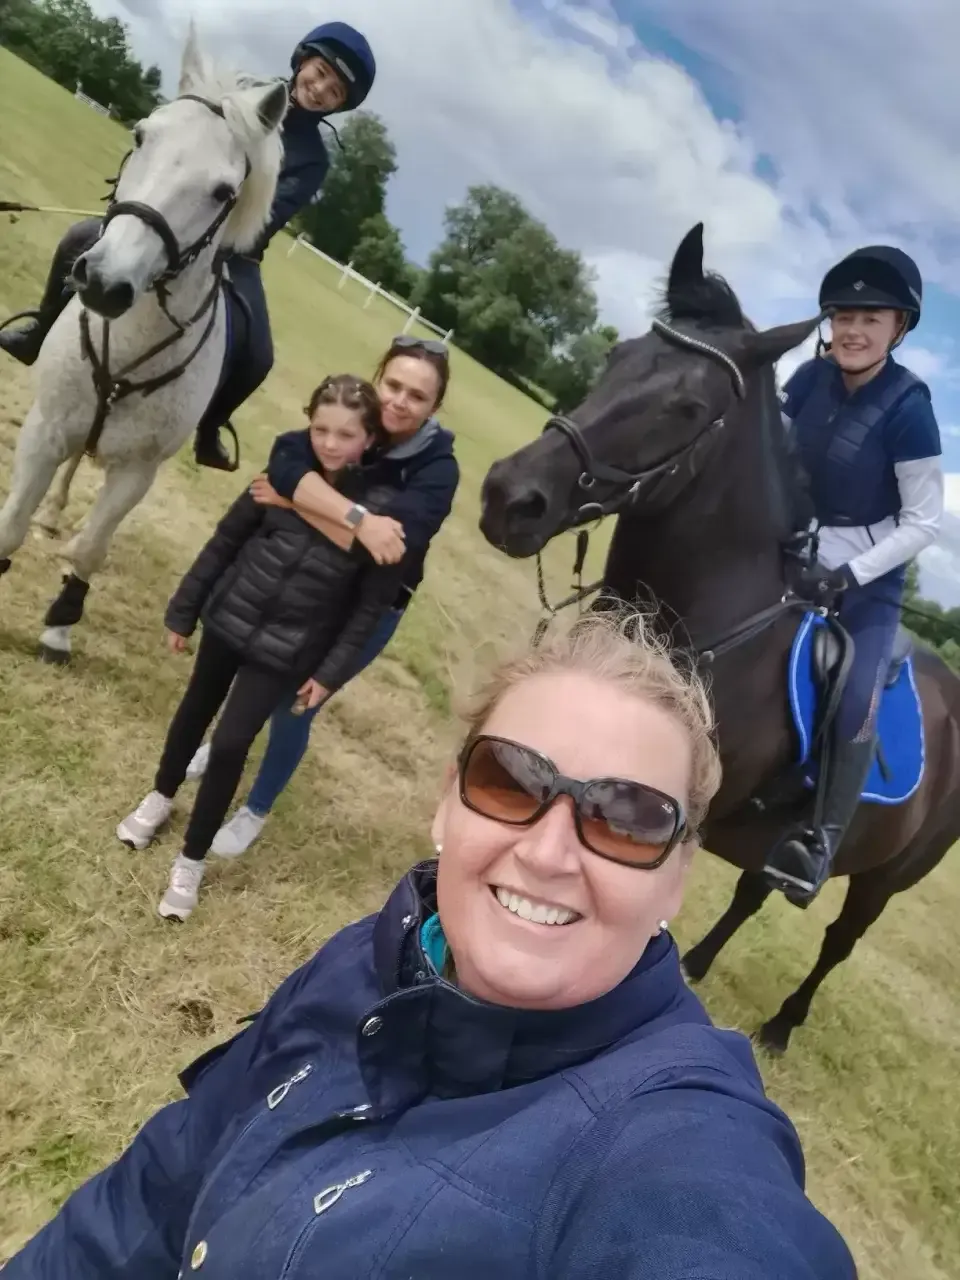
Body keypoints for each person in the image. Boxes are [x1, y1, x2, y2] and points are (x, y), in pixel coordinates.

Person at [3, 610, 857, 1278]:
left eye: (627, 820)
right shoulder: (371, 955)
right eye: (509, 780)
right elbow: (160, 1187)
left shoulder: (677, 1144)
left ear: (676, 880)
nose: (548, 853)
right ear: (448, 802)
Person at [0, 22, 376, 472]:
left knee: (259, 354)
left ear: (339, 104)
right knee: (78, 239)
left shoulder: (313, 157)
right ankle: (39, 331)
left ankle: (209, 427)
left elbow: (270, 214)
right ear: (303, 60)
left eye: (334, 92)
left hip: (238, 249)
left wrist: (217, 235)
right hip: (176, 219)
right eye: (320, 74)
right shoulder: (242, 91)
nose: (319, 90)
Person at [116, 374, 405, 921]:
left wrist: (330, 673)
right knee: (193, 711)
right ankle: (160, 795)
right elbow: (225, 540)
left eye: (346, 434)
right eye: (321, 429)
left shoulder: (382, 516)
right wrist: (184, 608)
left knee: (230, 744)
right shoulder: (286, 468)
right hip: (230, 618)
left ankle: (191, 859)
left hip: (287, 649)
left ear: (369, 438)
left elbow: (368, 608)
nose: (330, 444)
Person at [187, 335, 459, 857]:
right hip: (313, 584)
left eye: (417, 396)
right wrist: (356, 518)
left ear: (435, 407)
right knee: (257, 671)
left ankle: (256, 809)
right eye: (394, 385)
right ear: (378, 379)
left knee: (295, 705)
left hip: (369, 607)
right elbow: (286, 461)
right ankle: (221, 748)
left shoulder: (437, 470)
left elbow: (386, 552)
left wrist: (295, 503)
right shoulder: (354, 419)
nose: (400, 401)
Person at [764, 245, 943, 904]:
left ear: (899, 328)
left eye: (871, 318)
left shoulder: (910, 408)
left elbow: (924, 522)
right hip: (789, 547)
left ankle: (819, 842)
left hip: (864, 584)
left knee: (857, 697)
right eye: (843, 316)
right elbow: (770, 451)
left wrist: (848, 575)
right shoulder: (808, 378)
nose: (853, 330)